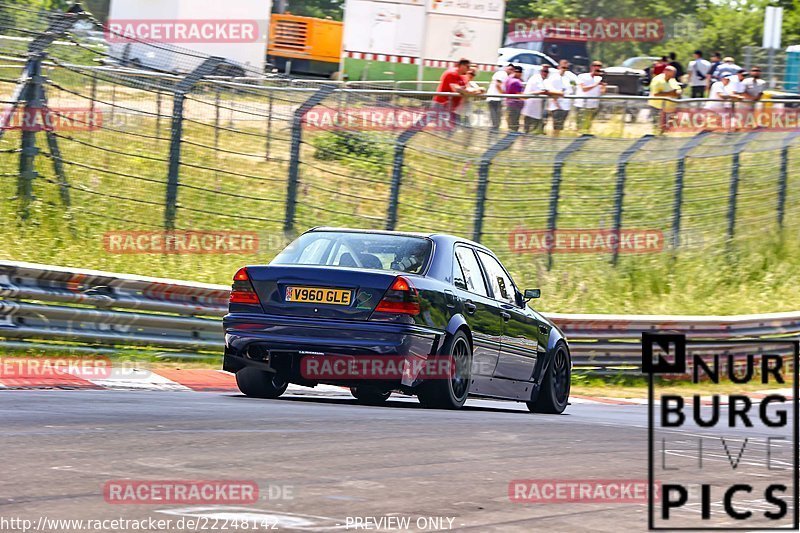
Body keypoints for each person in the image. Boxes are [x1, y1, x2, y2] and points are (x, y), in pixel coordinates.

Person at [432, 58, 471, 130]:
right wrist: (469, 92)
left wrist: (474, 91)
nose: (469, 69)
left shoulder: (464, 76)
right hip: (441, 104)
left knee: (452, 129)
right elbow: (456, 89)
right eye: (467, 67)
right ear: (462, 66)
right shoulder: (451, 73)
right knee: (440, 127)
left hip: (453, 107)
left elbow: (468, 88)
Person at [648, 65, 682, 133]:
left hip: (668, 108)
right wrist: (670, 93)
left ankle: (662, 137)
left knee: (665, 126)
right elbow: (656, 94)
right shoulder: (657, 80)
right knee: (657, 125)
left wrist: (678, 92)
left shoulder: (672, 79)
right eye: (673, 73)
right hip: (657, 107)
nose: (674, 75)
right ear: (666, 71)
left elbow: (678, 89)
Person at [574, 61, 605, 132]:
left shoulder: (599, 78)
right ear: (591, 67)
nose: (597, 71)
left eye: (599, 69)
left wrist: (603, 86)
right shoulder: (582, 76)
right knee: (579, 125)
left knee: (588, 125)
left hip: (593, 105)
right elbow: (584, 89)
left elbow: (602, 92)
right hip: (582, 104)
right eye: (596, 69)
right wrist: (596, 84)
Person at [544, 62, 573, 136]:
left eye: (566, 68)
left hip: (565, 106)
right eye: (563, 67)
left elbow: (568, 91)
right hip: (557, 106)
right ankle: (553, 144)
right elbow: (549, 90)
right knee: (555, 127)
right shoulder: (553, 78)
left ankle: (555, 143)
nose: (564, 70)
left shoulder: (567, 78)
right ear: (559, 67)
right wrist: (556, 103)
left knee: (559, 128)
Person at [521, 63, 551, 134]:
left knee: (534, 131)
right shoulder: (536, 78)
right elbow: (543, 91)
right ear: (540, 71)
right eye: (544, 71)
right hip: (530, 109)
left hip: (538, 111)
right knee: (527, 131)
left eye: (547, 71)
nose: (545, 73)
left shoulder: (545, 81)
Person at [486, 64, 514, 132]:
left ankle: (493, 136)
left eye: (512, 69)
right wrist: (504, 94)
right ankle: (492, 137)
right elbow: (497, 85)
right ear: (505, 68)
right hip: (494, 98)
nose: (511, 71)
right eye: (509, 69)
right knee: (495, 121)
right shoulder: (502, 73)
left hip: (496, 99)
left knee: (496, 120)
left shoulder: (505, 75)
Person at [503, 65, 525, 132]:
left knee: (510, 124)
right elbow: (519, 95)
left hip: (509, 104)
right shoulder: (517, 82)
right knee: (514, 125)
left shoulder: (508, 79)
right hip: (515, 105)